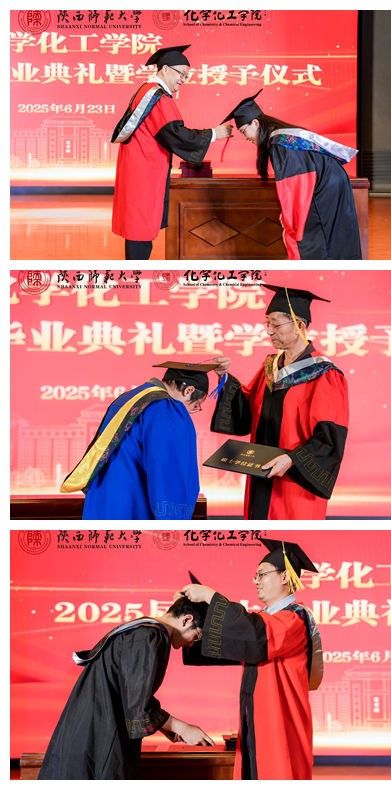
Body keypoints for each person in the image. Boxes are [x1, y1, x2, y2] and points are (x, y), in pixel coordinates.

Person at [179, 538, 322, 780]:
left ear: (285, 576)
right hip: (259, 722)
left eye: (262, 574)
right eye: (255, 576)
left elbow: (254, 636)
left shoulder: (294, 619)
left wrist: (211, 597)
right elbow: (235, 643)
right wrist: (191, 618)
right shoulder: (267, 620)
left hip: (280, 724)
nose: (255, 581)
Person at [209, 285, 349, 519]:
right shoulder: (271, 366)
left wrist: (293, 460)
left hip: (294, 481)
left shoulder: (324, 374)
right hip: (261, 474)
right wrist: (224, 377)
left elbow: (329, 437)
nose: (269, 331)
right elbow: (249, 407)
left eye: (276, 325)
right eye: (267, 324)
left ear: (299, 325)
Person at [38, 596, 212, 779]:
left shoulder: (141, 632)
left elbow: (131, 693)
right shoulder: (149, 636)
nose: (191, 644)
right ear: (187, 620)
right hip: (101, 735)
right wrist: (182, 728)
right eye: (197, 636)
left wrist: (166, 727)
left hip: (91, 729)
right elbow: (137, 704)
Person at [111, 44, 233, 260]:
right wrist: (215, 133)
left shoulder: (147, 91)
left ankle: (135, 270)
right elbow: (177, 135)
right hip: (145, 171)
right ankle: (135, 274)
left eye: (186, 76)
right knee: (140, 228)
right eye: (181, 74)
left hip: (141, 167)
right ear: (165, 69)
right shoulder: (157, 97)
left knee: (140, 226)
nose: (183, 80)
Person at [61, 361, 216, 519]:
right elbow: (168, 468)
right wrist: (173, 518)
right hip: (131, 505)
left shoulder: (130, 398)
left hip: (104, 499)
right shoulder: (165, 409)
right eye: (196, 404)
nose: (192, 411)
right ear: (189, 390)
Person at [223, 91, 362, 259]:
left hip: (322, 192)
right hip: (329, 185)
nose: (245, 137)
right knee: (335, 239)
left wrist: (291, 222)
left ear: (255, 123)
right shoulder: (284, 137)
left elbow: (298, 186)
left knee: (315, 239)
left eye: (244, 131)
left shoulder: (281, 144)